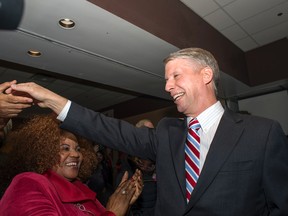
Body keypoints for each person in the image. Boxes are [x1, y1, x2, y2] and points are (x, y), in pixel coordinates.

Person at [8, 47, 288, 215]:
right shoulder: (168, 133)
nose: (167, 86)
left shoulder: (262, 133)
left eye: (175, 76)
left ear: (206, 75)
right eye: (166, 79)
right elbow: (108, 129)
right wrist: (51, 99)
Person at [0, 114, 143, 216]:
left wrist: (124, 203)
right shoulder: (27, 184)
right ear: (43, 152)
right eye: (65, 148)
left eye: (78, 149)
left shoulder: (82, 190)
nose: (76, 154)